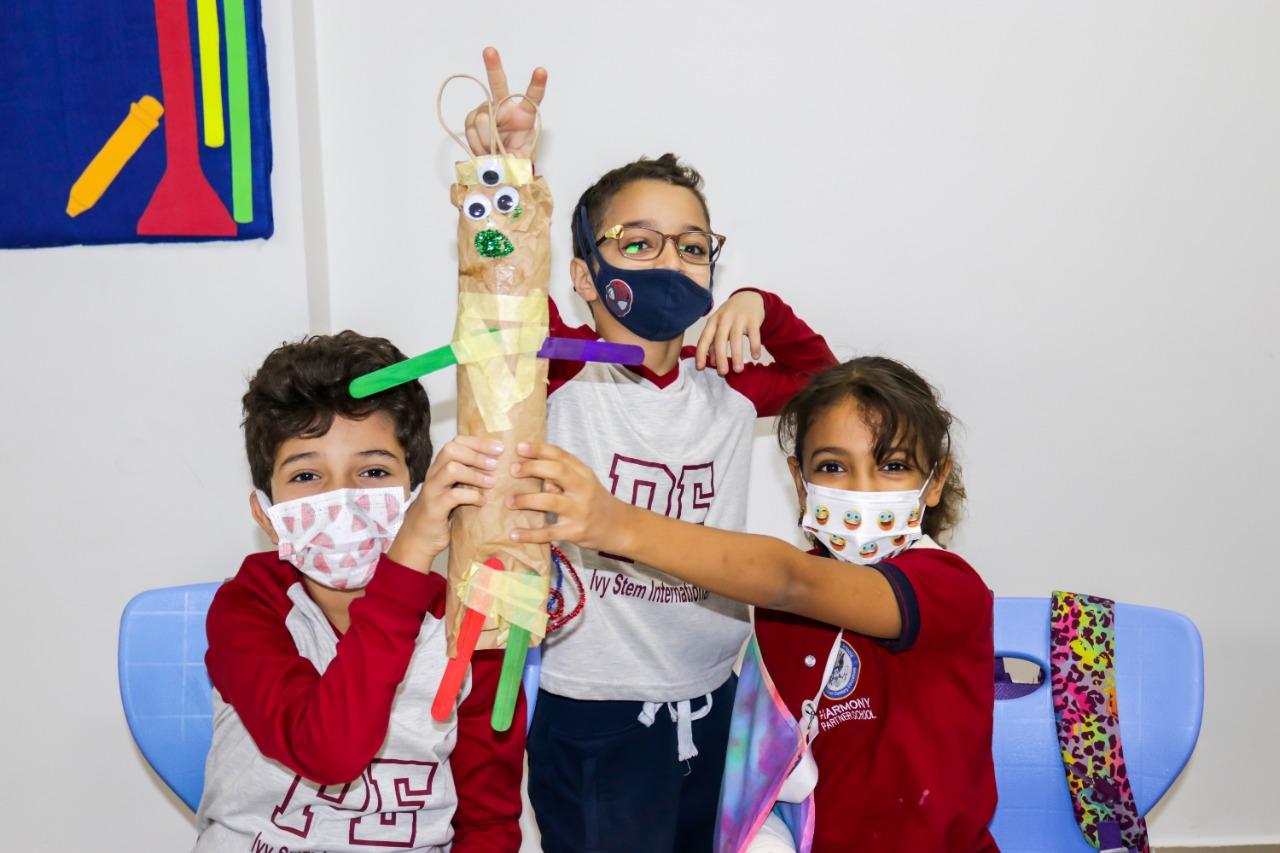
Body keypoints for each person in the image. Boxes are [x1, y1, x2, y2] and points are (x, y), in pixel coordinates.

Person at [461, 48, 837, 852]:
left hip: (720, 697)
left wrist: (759, 308)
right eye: (638, 243)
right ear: (587, 276)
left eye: (693, 246)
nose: (671, 261)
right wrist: (505, 178)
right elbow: (500, 298)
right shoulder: (558, 367)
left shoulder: (725, 384)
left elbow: (836, 395)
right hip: (594, 712)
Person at [509, 356, 999, 852]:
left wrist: (617, 524)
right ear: (800, 481)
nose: (860, 490)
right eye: (833, 466)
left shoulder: (947, 589)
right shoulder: (777, 619)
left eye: (893, 466)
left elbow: (790, 580)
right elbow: (771, 767)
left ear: (935, 482)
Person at [193, 331, 524, 852]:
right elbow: (330, 751)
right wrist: (408, 561)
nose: (342, 499)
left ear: (417, 493)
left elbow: (488, 822)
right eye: (306, 475)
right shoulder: (248, 609)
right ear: (266, 514)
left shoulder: (469, 616)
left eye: (372, 471)